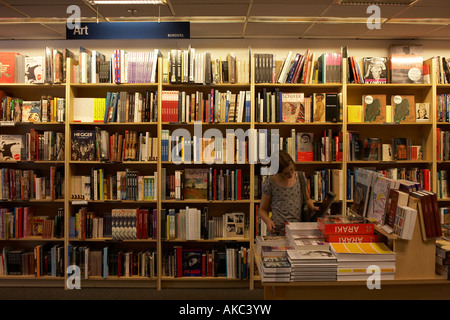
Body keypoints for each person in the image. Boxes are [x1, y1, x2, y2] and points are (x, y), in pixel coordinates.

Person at [259, 150, 318, 235]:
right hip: (278, 231)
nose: (290, 174)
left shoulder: (301, 178)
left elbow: (307, 199)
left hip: (297, 230)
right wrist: (268, 221)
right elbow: (262, 210)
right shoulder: (270, 184)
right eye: (286, 173)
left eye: (292, 169)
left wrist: (313, 208)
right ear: (277, 173)